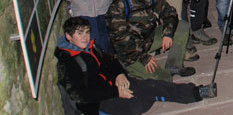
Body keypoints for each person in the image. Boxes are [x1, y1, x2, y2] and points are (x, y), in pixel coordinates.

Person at [56, 17, 215, 115]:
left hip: (114, 85)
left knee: (152, 85)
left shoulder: (90, 48)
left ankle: (196, 92)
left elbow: (110, 62)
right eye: (80, 34)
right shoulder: (68, 62)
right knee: (138, 104)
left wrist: (119, 75)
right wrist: (116, 91)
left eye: (87, 32)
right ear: (69, 37)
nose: (85, 37)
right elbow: (80, 96)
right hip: (99, 101)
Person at [106, 0, 197, 81]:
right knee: (165, 79)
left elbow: (169, 12)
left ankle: (174, 65)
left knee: (182, 26)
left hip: (148, 40)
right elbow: (120, 41)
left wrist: (168, 34)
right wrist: (143, 58)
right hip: (130, 54)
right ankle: (132, 72)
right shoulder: (119, 4)